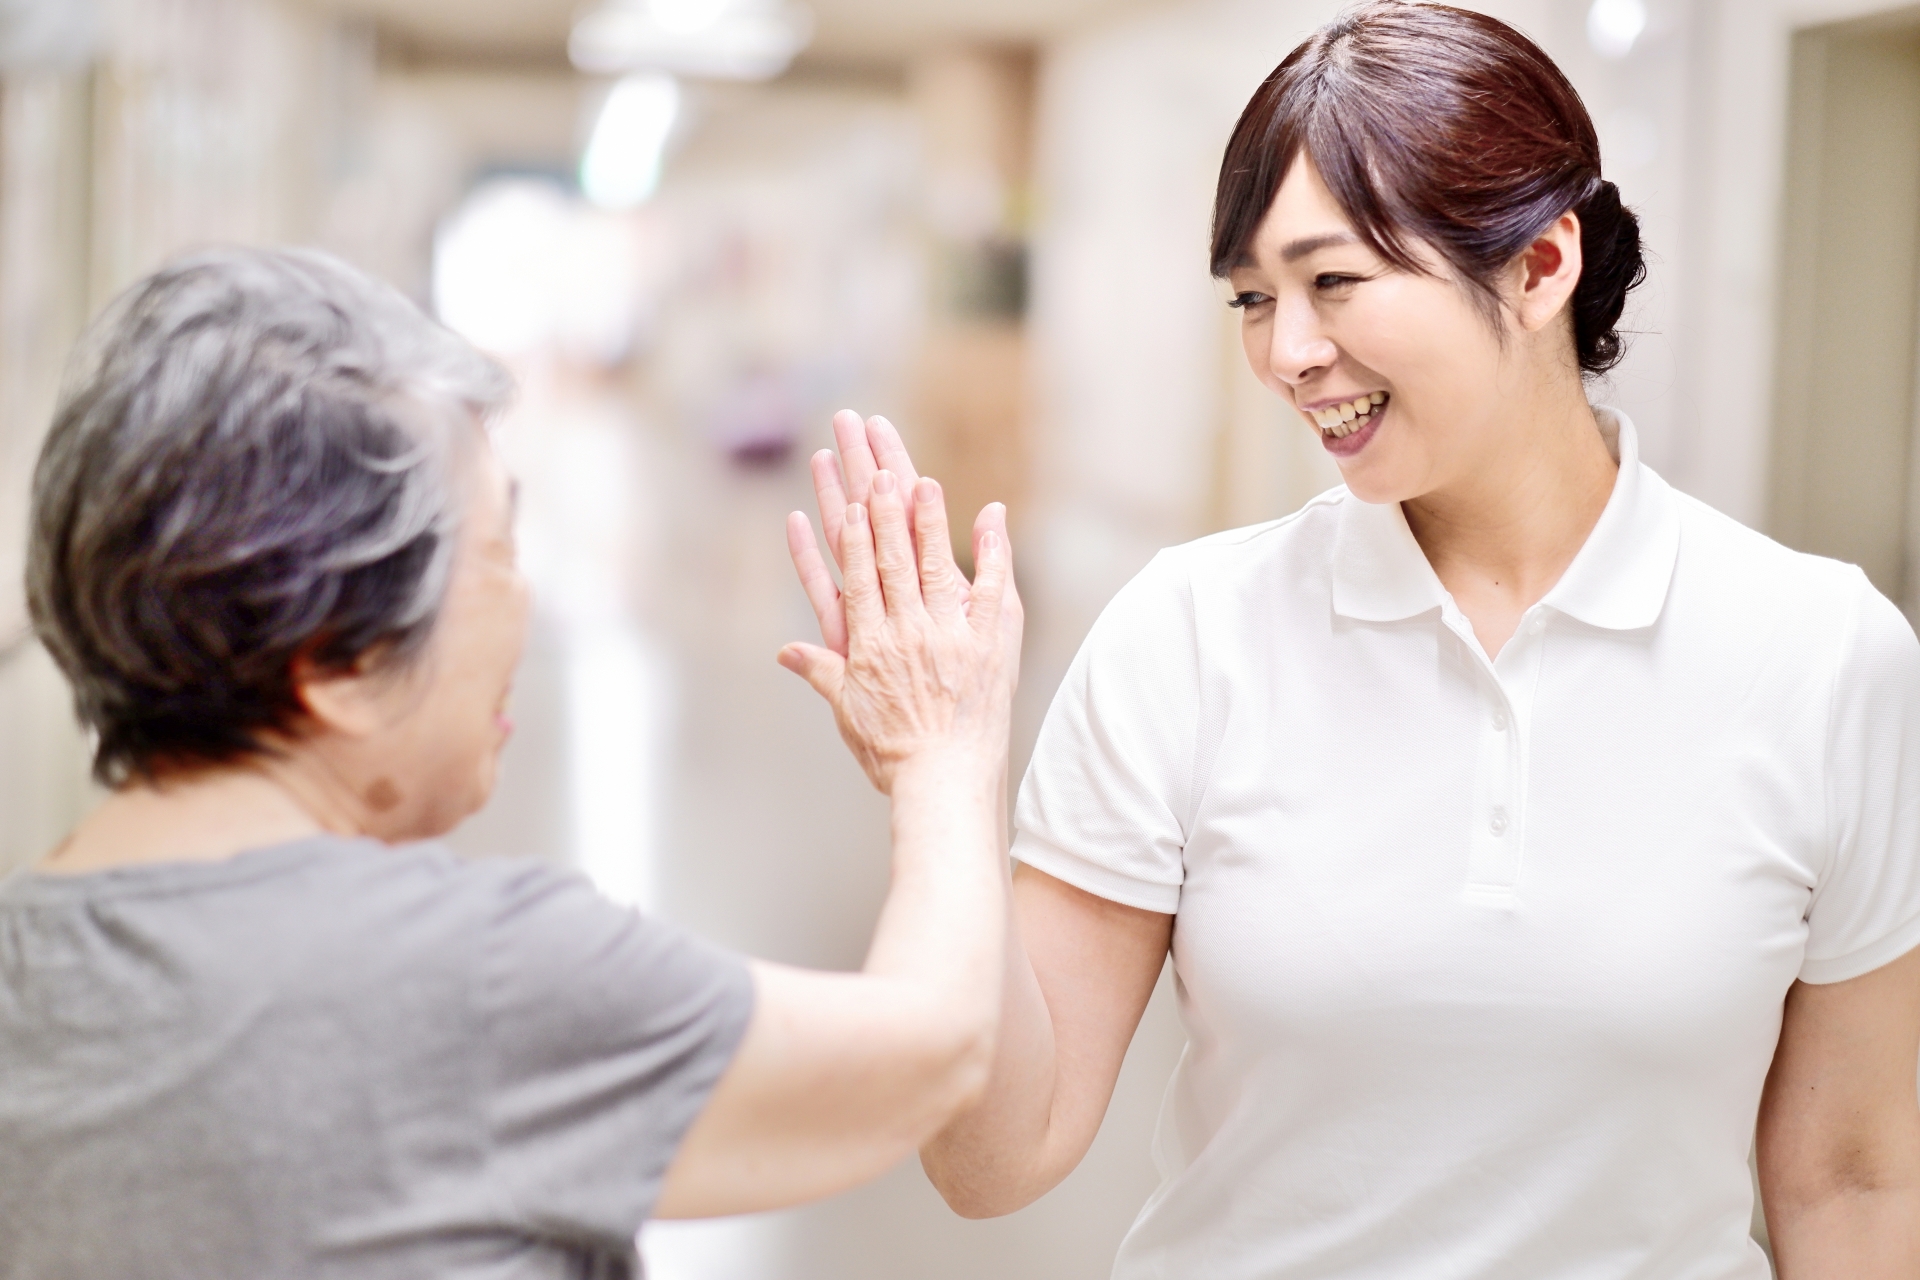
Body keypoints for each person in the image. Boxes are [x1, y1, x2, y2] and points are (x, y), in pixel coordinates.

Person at [806, 4, 1920, 1277]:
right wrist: (942, 779)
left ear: (1540, 266)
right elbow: (994, 1156)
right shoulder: (1188, 633)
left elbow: (1856, 1175)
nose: (1287, 354)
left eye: (1335, 280)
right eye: (1253, 297)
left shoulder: (1822, 653)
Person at [0, 246, 1022, 1279]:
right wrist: (940, 751)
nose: (524, 603)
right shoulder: (468, 976)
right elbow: (931, 1049)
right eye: (495, 549)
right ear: (338, 661)